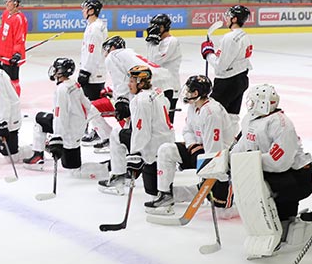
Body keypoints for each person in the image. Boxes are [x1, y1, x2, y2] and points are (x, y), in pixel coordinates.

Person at [227, 84, 312, 251]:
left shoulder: (282, 124)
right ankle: (271, 225)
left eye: (253, 102)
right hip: (277, 172)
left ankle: (282, 222)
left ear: (263, 103)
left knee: (264, 188)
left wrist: (249, 161)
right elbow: (243, 144)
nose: (250, 105)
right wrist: (230, 159)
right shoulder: (251, 119)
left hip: (298, 177)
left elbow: (280, 162)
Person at [148, 75, 236, 213]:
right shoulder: (194, 106)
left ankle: (212, 190)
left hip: (221, 161)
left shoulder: (212, 112)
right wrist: (193, 146)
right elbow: (187, 130)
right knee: (166, 150)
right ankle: (165, 195)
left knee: (223, 212)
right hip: (198, 151)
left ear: (196, 93)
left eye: (189, 90)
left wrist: (201, 158)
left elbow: (214, 150)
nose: (186, 93)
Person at [99, 65, 175, 197]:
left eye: (132, 81)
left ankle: (119, 177)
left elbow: (142, 132)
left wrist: (135, 153)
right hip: (167, 141)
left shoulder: (140, 100)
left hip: (152, 144)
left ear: (141, 82)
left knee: (117, 133)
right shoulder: (158, 92)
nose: (129, 84)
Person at [23, 57, 109, 171]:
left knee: (73, 170)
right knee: (42, 119)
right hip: (77, 128)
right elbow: (88, 106)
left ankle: (38, 156)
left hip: (69, 132)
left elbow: (60, 115)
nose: (53, 70)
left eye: (56, 68)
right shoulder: (74, 84)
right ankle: (44, 149)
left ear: (60, 71)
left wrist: (58, 138)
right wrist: (104, 130)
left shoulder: (62, 89)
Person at [201, 4, 252, 130]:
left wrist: (208, 54)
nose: (226, 18)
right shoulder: (244, 35)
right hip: (241, 79)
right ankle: (231, 142)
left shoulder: (230, 38)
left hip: (227, 82)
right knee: (232, 116)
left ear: (234, 19)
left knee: (211, 111)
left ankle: (214, 141)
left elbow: (221, 66)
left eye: (229, 16)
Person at [102, 36, 177, 116]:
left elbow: (121, 82)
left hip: (150, 87)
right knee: (159, 123)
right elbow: (127, 79)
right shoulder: (129, 54)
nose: (105, 54)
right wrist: (112, 89)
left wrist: (121, 100)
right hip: (166, 85)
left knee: (140, 122)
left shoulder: (112, 56)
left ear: (112, 47)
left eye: (106, 50)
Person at [78, 0, 109, 148]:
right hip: (96, 72)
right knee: (92, 105)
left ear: (91, 10)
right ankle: (97, 131)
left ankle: (101, 133)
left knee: (90, 106)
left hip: (93, 74)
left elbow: (93, 53)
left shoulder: (94, 29)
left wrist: (85, 72)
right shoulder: (95, 26)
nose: (82, 11)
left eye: (85, 8)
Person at [0, 0, 27, 95]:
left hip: (11, 56)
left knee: (13, 80)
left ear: (16, 3)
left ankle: (15, 99)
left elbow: (20, 38)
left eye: (9, 2)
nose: (7, 4)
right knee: (1, 79)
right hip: (2, 53)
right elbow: (2, 32)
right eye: (7, 1)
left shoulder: (19, 18)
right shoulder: (6, 14)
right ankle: (4, 98)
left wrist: (17, 53)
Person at [145, 13, 182, 112]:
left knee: (167, 121)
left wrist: (153, 43)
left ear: (163, 27)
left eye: (155, 26)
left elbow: (156, 61)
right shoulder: (156, 41)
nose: (152, 28)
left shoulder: (172, 41)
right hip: (158, 86)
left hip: (170, 87)